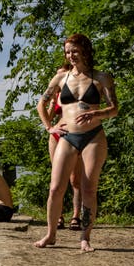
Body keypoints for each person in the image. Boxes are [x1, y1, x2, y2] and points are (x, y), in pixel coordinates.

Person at [34, 33, 118, 252]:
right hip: (67, 136)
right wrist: (49, 127)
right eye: (67, 52)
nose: (70, 55)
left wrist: (97, 114)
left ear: (85, 50)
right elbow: (41, 105)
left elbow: (114, 109)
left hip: (93, 137)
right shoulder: (60, 78)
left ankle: (85, 238)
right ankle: (51, 234)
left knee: (89, 189)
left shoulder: (101, 78)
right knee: (55, 188)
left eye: (74, 51)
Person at [47, 81, 83, 231]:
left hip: (75, 134)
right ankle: (59, 216)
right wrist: (53, 102)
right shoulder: (56, 95)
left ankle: (76, 216)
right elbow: (47, 117)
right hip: (56, 134)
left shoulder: (79, 92)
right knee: (57, 178)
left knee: (75, 179)